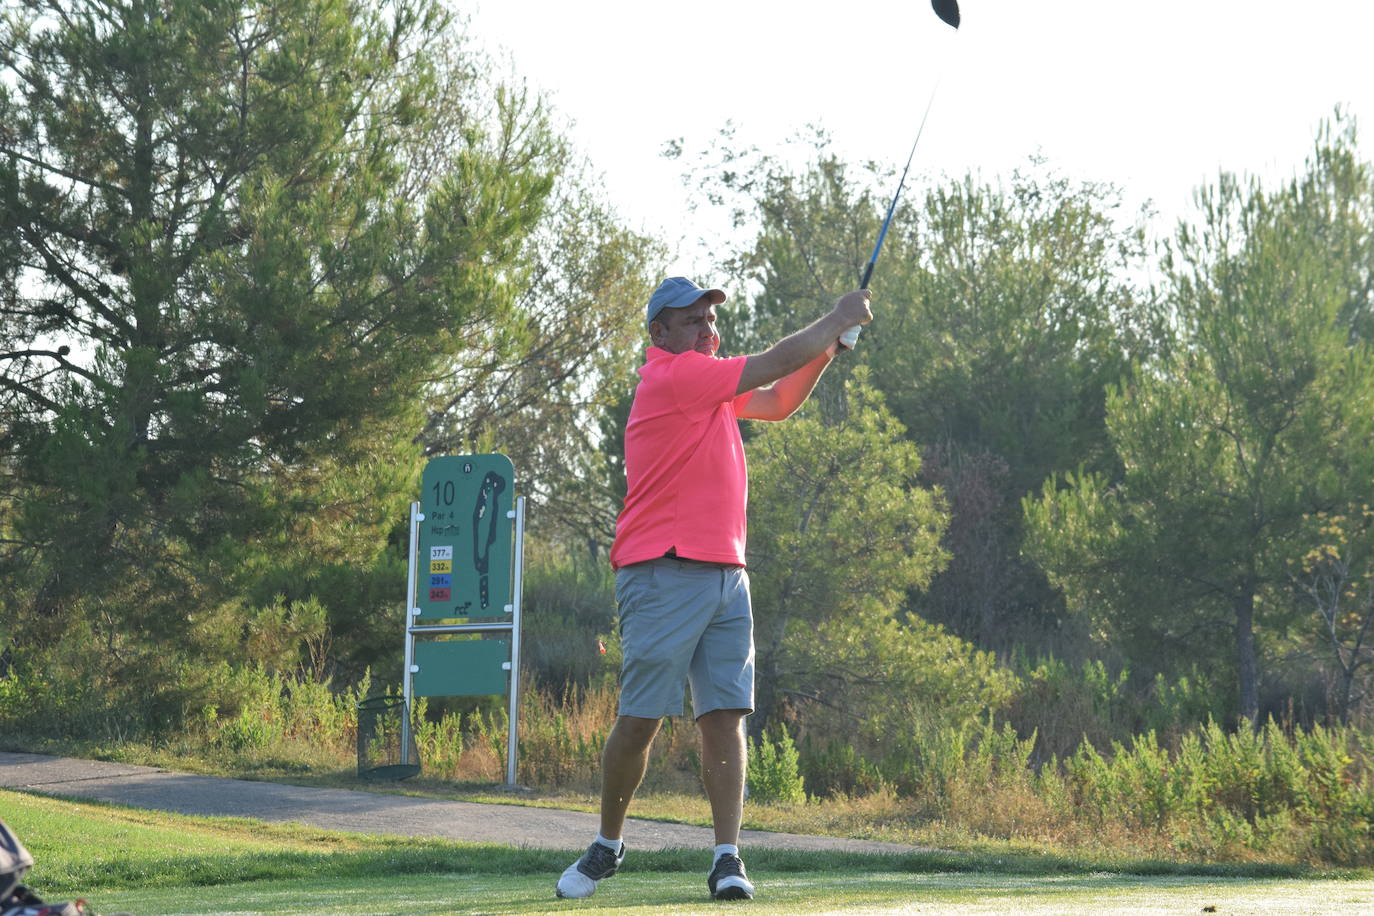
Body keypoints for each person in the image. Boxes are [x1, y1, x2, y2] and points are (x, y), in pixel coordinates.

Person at [555, 277, 872, 901]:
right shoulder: (675, 378)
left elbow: (780, 399)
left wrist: (830, 352)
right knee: (641, 719)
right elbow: (776, 361)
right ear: (660, 335)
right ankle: (607, 844)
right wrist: (834, 318)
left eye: (708, 318)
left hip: (728, 573)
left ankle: (728, 858)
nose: (705, 327)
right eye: (692, 320)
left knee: (724, 716)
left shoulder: (711, 391)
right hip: (662, 570)